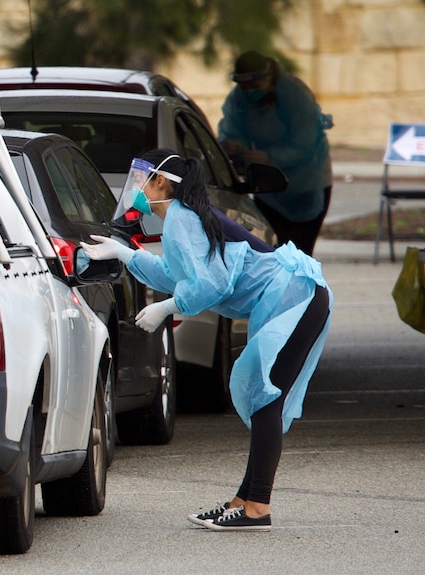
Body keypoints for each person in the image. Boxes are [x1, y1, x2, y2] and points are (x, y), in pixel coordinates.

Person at [82, 149, 333, 531]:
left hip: (294, 295)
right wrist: (125, 254)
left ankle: (257, 508)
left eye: (142, 180)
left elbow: (212, 284)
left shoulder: (181, 218)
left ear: (161, 182)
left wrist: (166, 309)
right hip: (295, 293)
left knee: (264, 395)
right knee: (263, 396)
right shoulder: (180, 219)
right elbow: (175, 273)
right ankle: (245, 501)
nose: (136, 189)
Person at [218, 50, 333, 256]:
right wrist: (233, 146)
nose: (249, 92)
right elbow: (230, 129)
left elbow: (305, 145)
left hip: (306, 184)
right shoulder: (239, 99)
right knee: (272, 253)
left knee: (300, 254)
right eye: (244, 87)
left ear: (269, 77)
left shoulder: (295, 96)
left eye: (255, 86)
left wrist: (269, 157)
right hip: (268, 188)